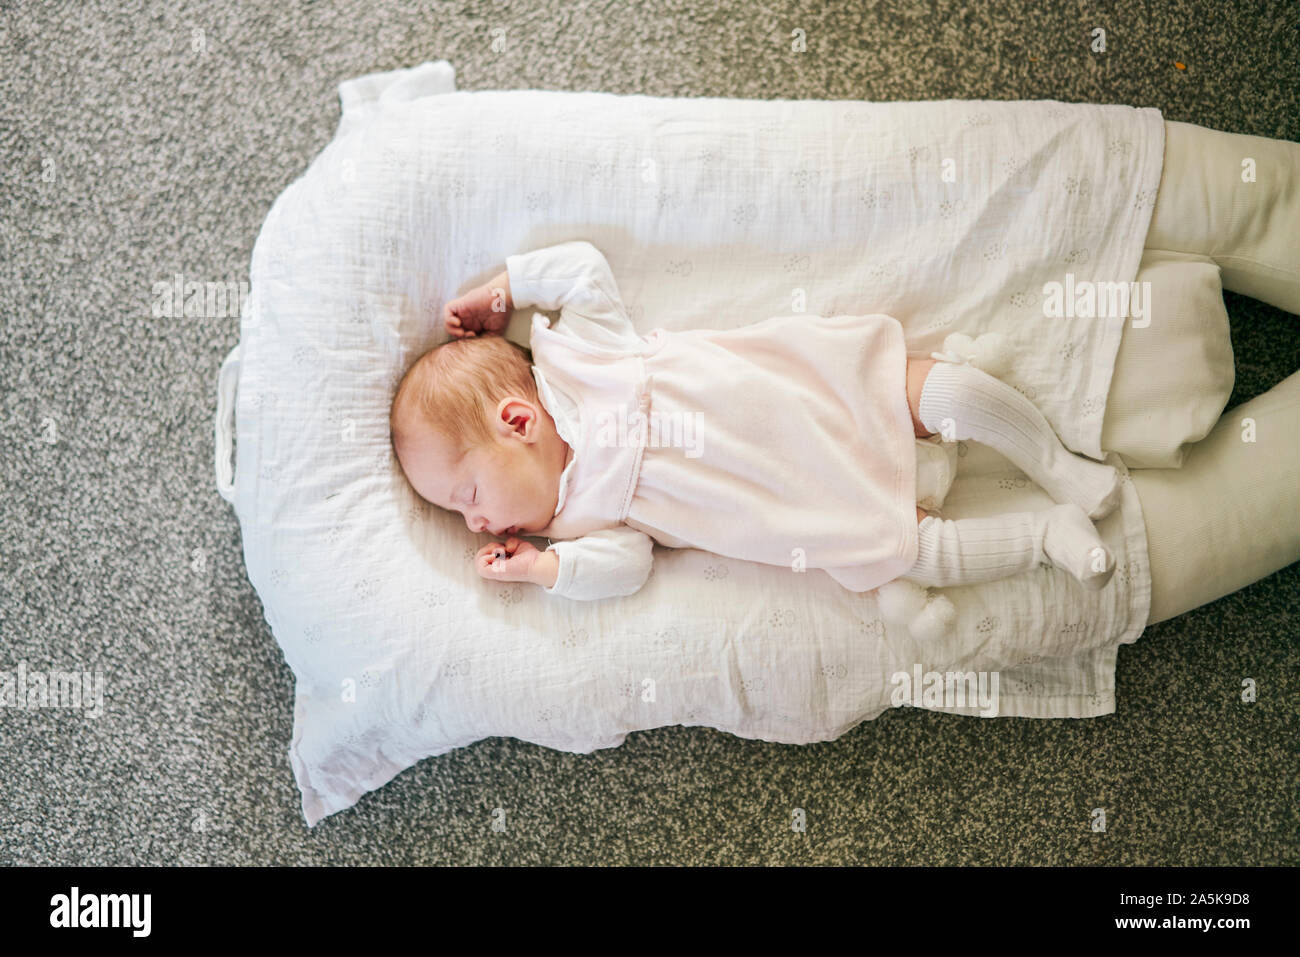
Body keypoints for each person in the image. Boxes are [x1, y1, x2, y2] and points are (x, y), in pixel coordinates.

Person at [389, 240, 1124, 600]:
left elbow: (583, 269)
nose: (476, 525)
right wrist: (546, 570)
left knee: (943, 394)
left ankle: (1056, 464)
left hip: (814, 397)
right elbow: (628, 568)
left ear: (518, 421)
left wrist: (507, 288)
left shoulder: (580, 355)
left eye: (469, 496)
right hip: (799, 504)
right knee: (913, 554)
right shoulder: (576, 521)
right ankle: (1041, 538)